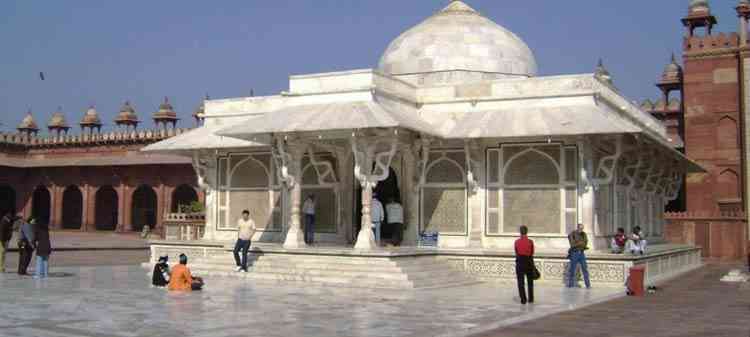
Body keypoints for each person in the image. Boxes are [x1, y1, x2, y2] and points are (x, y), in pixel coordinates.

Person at [514, 225, 535, 304]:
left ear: (520, 232)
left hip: (520, 261)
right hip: (529, 261)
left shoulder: (517, 242)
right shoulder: (530, 241)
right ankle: (531, 298)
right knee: (530, 281)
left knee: (520, 282)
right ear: (527, 232)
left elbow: (516, 252)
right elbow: (532, 252)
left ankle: (523, 299)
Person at [567, 223, 591, 289]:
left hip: (581, 253)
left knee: (585, 269)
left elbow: (585, 242)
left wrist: (580, 244)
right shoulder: (572, 234)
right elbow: (572, 244)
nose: (581, 230)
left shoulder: (584, 234)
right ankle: (570, 284)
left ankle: (588, 285)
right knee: (572, 269)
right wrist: (580, 243)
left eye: (582, 228)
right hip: (574, 253)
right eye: (580, 228)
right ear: (577, 228)